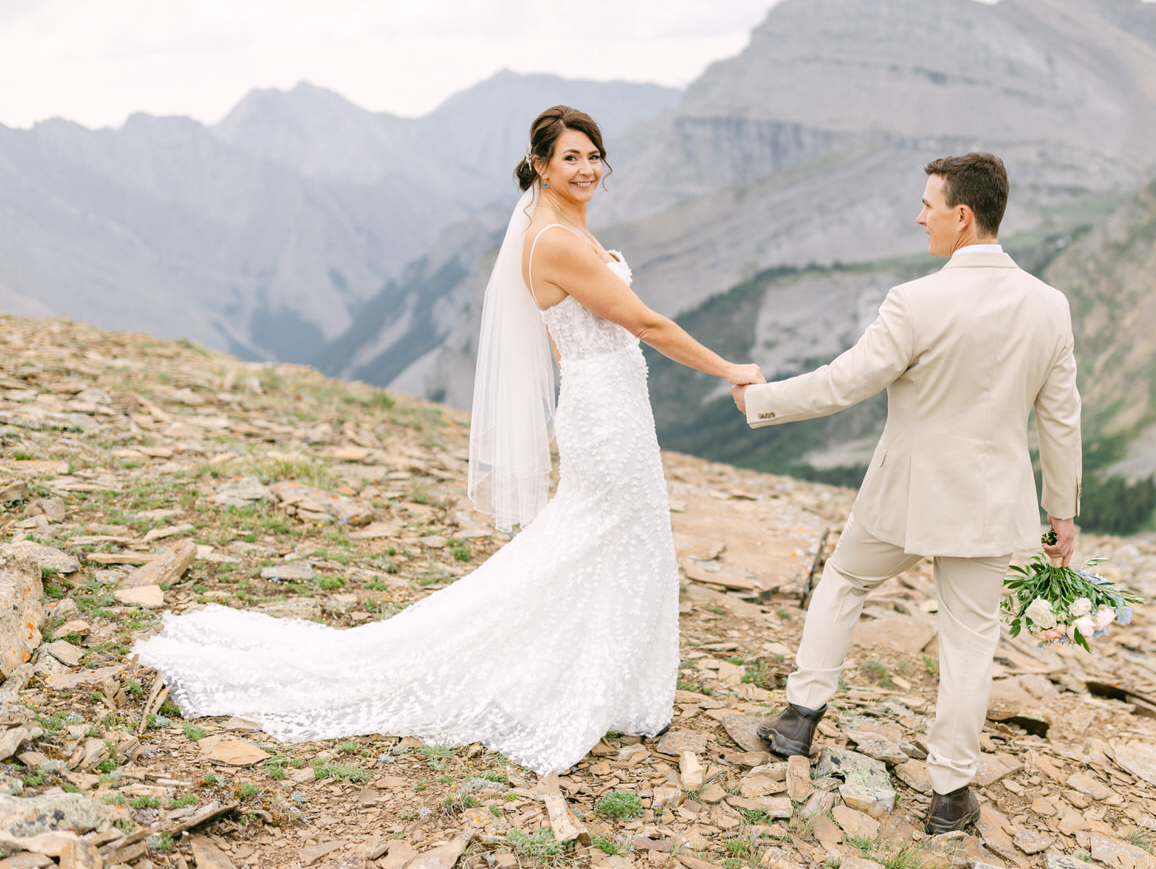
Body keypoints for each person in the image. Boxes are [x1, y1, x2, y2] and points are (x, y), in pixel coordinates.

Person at [136, 105, 763, 775]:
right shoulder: (552, 240)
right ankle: (573, 678)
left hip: (610, 403)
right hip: (606, 412)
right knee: (607, 537)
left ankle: (605, 677)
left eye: (593, 156)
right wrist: (731, 370)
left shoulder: (567, 229)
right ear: (542, 167)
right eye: (571, 158)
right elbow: (645, 321)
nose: (586, 169)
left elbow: (567, 334)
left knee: (616, 538)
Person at [731, 151, 1082, 834]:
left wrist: (759, 402)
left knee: (844, 581)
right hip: (990, 506)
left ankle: (800, 717)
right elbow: (1061, 416)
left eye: (928, 204)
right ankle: (951, 795)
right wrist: (1061, 513)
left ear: (962, 214)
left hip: (905, 497)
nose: (918, 215)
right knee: (970, 642)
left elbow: (844, 383)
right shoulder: (1049, 306)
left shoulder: (916, 301)